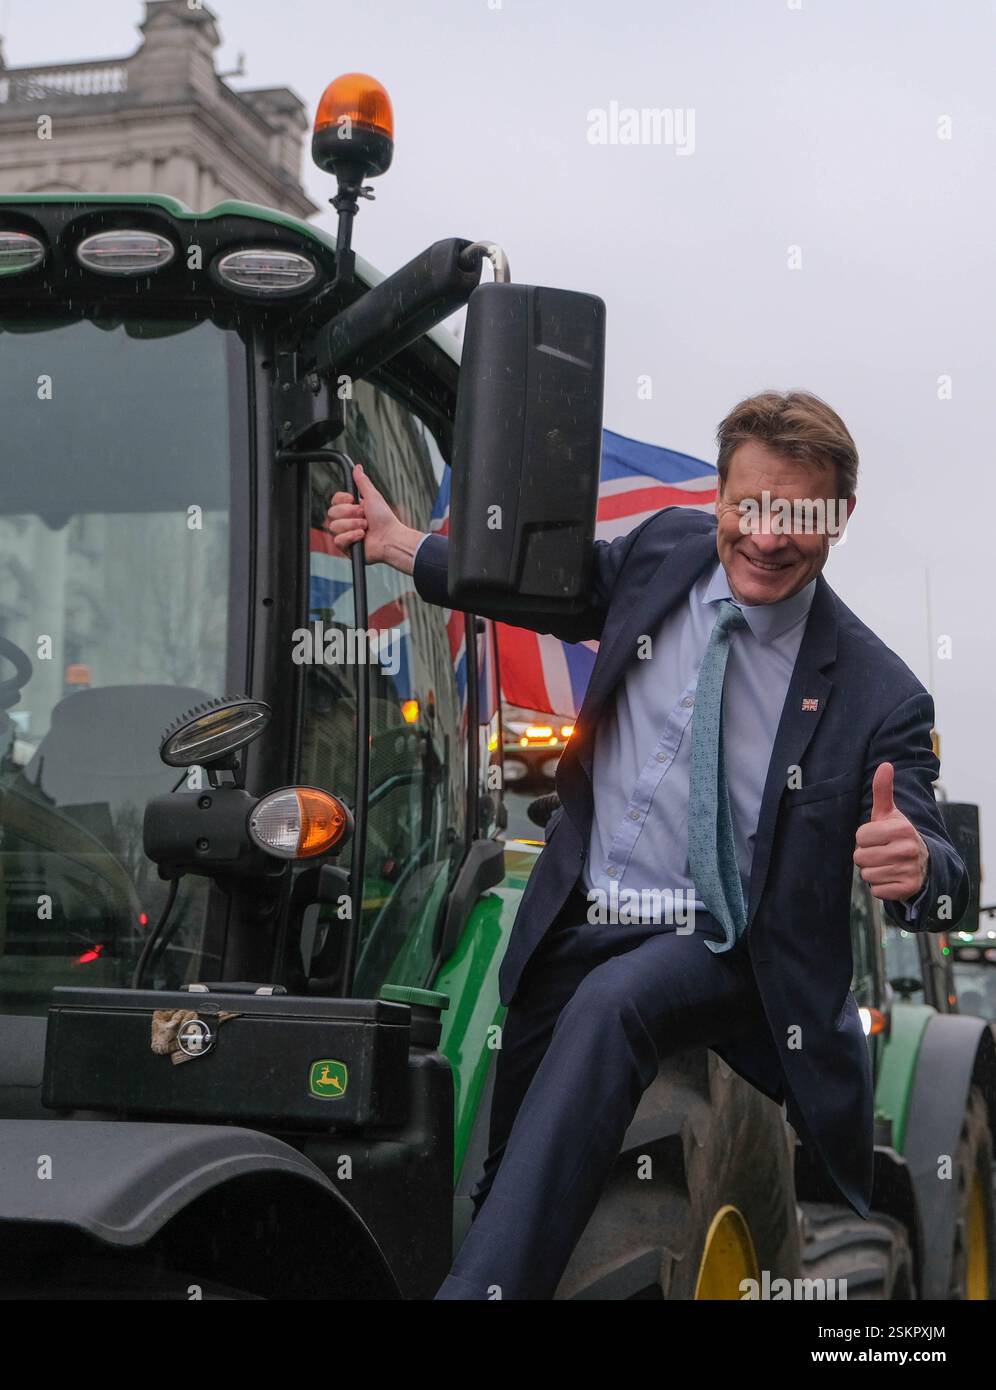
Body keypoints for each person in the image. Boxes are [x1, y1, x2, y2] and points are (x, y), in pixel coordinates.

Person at [325, 390, 968, 1300]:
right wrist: (403, 548)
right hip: (580, 907)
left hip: (719, 943)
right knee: (506, 1166)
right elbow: (551, 586)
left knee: (616, 1003)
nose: (768, 536)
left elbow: (944, 876)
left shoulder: (878, 692)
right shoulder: (664, 551)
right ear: (721, 497)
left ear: (839, 518)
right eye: (749, 506)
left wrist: (920, 872)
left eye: (798, 513)